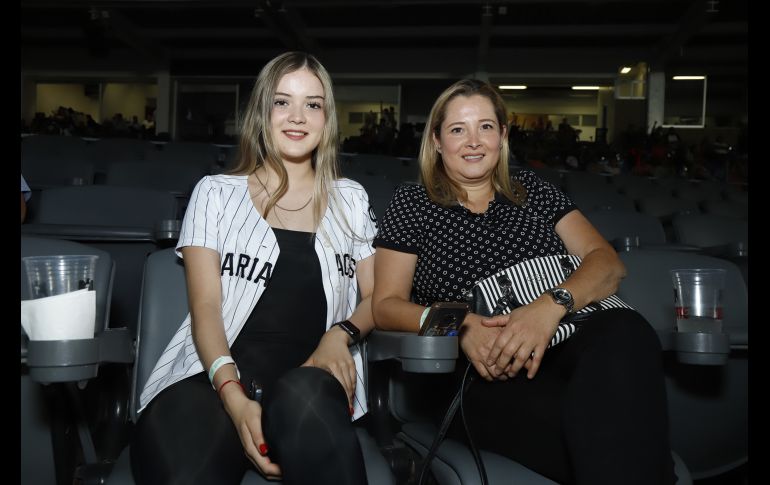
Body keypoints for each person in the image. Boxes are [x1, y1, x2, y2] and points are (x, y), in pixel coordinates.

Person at [371, 79, 676, 485]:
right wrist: (460, 324)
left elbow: (607, 264)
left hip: (568, 345)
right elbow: (386, 306)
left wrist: (549, 307)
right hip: (484, 372)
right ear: (437, 141)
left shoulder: (533, 190)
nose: (473, 141)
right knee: (608, 426)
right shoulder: (413, 203)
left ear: (502, 135)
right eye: (458, 129)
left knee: (627, 331)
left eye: (485, 127)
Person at [130, 52, 377, 485]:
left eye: (313, 104)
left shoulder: (351, 199)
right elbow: (206, 308)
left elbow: (379, 298)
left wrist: (341, 334)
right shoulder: (214, 193)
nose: (297, 116)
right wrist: (233, 396)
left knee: (305, 398)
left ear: (327, 118)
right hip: (211, 380)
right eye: (282, 102)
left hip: (311, 379)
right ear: (262, 111)